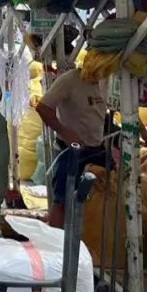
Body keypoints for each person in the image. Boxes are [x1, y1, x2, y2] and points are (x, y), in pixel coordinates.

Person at [36, 68, 108, 229]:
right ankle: (56, 247)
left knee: (100, 199)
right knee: (62, 200)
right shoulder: (69, 80)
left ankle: (88, 243)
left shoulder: (106, 80)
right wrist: (65, 132)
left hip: (97, 149)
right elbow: (43, 108)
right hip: (71, 151)